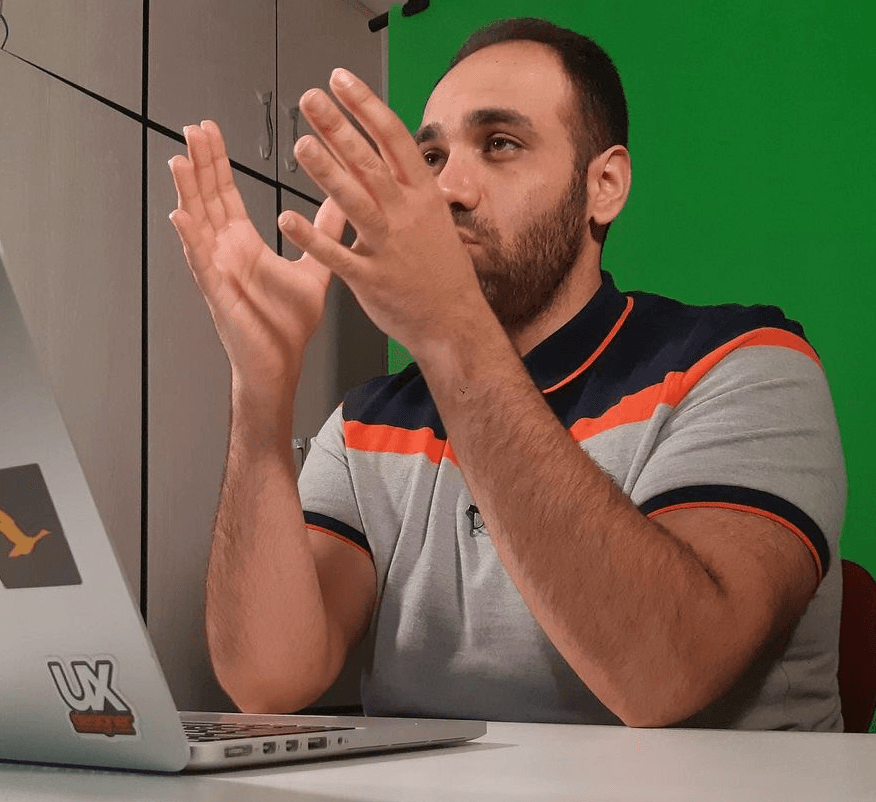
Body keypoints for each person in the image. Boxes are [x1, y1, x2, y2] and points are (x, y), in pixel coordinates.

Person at [167, 18, 845, 730]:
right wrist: (262, 388)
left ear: (604, 185)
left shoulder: (745, 367)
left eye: (500, 144)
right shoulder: (367, 425)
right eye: (431, 157)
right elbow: (269, 680)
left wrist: (451, 334)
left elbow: (665, 674)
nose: (448, 190)